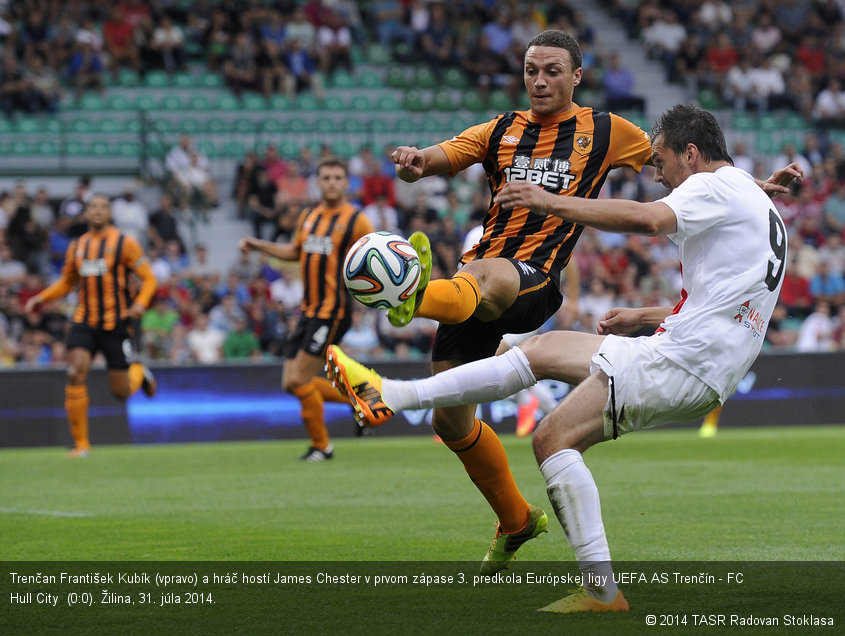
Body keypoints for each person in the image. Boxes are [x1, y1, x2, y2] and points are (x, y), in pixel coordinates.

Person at [327, 104, 801, 612]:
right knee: (547, 376)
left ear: (691, 153)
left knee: (550, 420)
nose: (656, 173)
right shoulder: (752, 200)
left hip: (686, 360)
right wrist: (643, 315)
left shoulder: (712, 187)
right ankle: (597, 589)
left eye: (661, 159)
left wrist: (551, 200)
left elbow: (646, 218)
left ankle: (392, 394)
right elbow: (726, 303)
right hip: (703, 360)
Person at [370, 29, 655, 574]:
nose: (540, 80)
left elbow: (671, 164)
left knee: (489, 277)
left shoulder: (606, 130)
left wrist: (746, 186)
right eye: (531, 71)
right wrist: (414, 160)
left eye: (552, 71)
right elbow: (444, 154)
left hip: (532, 280)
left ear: (576, 75)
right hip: (471, 285)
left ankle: (411, 294)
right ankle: (516, 519)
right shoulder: (500, 129)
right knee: (450, 424)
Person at [238, 157, 375, 461]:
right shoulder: (309, 216)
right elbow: (294, 252)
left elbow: (374, 261)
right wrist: (259, 245)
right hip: (308, 310)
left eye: (338, 178)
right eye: (326, 177)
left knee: (300, 380)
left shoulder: (357, 220)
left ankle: (322, 446)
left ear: (346, 183)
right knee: (291, 383)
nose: (331, 183)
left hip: (334, 311)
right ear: (318, 181)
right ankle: (361, 398)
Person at [24, 195, 159, 457]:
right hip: (84, 321)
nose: (98, 211)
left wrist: (141, 303)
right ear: (86, 214)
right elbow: (66, 282)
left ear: (110, 213)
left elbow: (149, 279)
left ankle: (139, 372)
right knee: (74, 372)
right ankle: (82, 445)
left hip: (115, 323)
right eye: (93, 207)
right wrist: (41, 298)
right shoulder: (77, 246)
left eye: (103, 207)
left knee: (120, 392)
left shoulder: (125, 243)